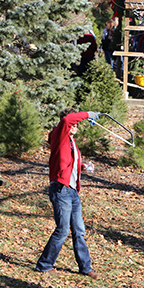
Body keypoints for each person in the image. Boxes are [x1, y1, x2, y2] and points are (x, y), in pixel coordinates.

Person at [35, 110, 101, 278]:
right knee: (63, 230)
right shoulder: (59, 136)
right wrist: (88, 114)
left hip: (72, 192)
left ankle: (85, 268)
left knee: (79, 230)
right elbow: (66, 119)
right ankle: (44, 264)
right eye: (74, 124)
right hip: (60, 190)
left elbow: (69, 163)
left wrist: (83, 167)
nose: (75, 126)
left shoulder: (72, 142)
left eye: (77, 125)